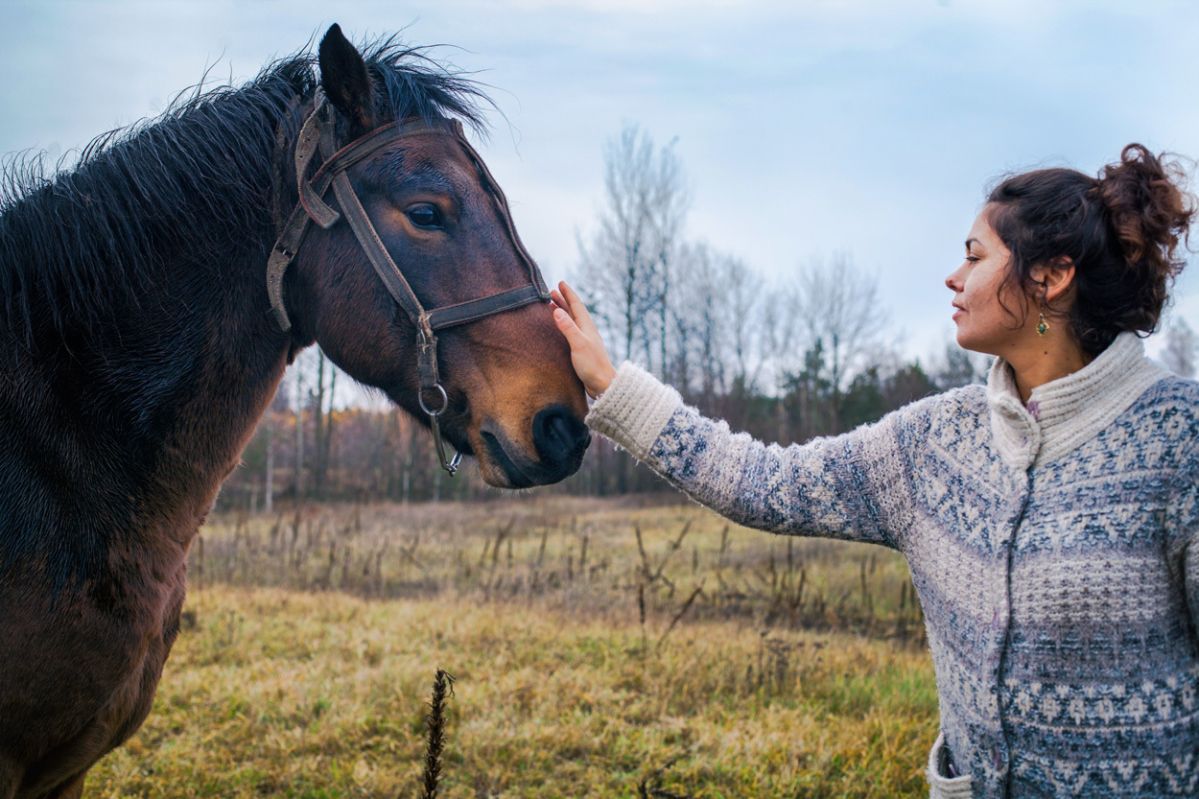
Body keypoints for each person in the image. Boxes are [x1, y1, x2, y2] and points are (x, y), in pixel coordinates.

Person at [549, 143, 1199, 799]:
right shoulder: (929, 442)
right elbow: (761, 481)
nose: (952, 277)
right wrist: (610, 384)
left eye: (974, 256)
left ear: (1048, 278)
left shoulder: (1181, 437)